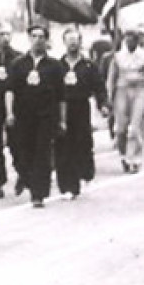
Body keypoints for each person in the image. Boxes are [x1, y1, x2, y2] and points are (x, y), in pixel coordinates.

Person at [3, 24, 66, 207]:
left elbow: (61, 96)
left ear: (46, 40)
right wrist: (9, 112)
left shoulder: (54, 66)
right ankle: (25, 177)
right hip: (23, 115)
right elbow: (10, 90)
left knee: (42, 153)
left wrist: (62, 120)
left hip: (46, 116)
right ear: (29, 38)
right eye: (34, 36)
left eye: (41, 36)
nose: (38, 40)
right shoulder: (18, 64)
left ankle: (38, 194)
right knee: (23, 152)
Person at [56, 26, 107, 199]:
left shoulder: (88, 65)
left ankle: (85, 172)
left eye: (75, 40)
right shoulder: (58, 65)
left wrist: (103, 104)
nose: (72, 44)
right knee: (63, 147)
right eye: (69, 40)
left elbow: (99, 87)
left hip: (81, 107)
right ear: (64, 43)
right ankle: (68, 186)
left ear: (80, 42)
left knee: (82, 144)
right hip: (62, 109)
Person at [107, 28, 144, 173]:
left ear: (137, 41)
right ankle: (124, 155)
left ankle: (134, 158)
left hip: (139, 91)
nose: (129, 42)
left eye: (133, 39)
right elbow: (111, 78)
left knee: (134, 128)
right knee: (121, 128)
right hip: (122, 91)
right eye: (127, 39)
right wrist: (109, 96)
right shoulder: (117, 57)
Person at [0, 21, 22, 198]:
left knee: (17, 142)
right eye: (1, 34)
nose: (5, 38)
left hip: (15, 106)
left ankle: (22, 172)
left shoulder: (19, 58)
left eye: (8, 34)